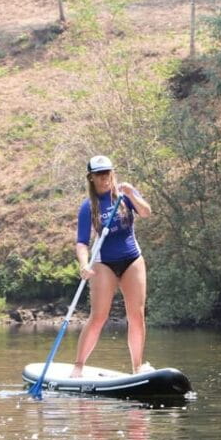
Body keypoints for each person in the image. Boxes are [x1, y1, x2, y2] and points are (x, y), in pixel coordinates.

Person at [71, 155, 152, 377]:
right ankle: (78, 366)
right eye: (99, 174)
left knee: (136, 315)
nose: (104, 177)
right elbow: (81, 242)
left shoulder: (124, 196)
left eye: (107, 173)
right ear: (91, 178)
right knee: (99, 316)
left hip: (132, 259)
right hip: (104, 262)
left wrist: (132, 194)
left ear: (112, 173)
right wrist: (84, 264)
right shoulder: (88, 207)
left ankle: (137, 367)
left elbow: (146, 212)